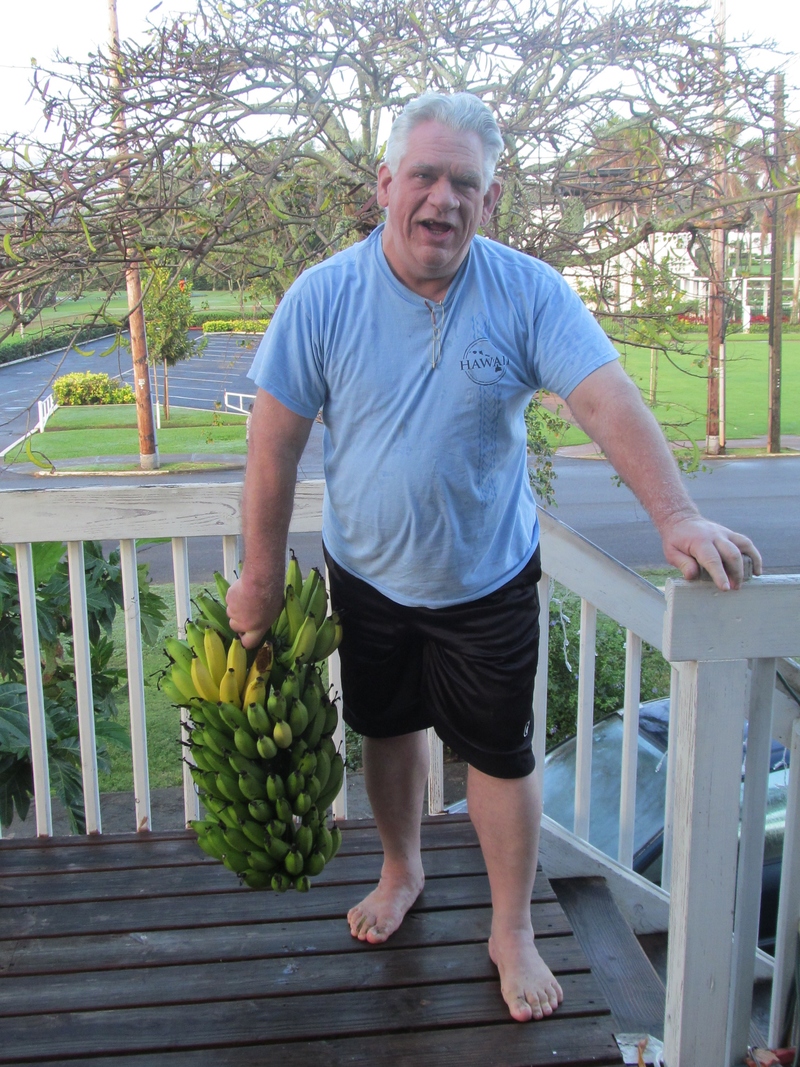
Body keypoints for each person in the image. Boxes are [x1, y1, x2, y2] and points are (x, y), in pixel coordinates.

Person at [225, 91, 762, 1024]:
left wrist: (675, 515)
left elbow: (604, 400)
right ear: (385, 183)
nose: (441, 198)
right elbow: (272, 447)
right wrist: (260, 579)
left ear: (491, 197)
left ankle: (509, 926)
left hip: (488, 579)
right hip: (368, 575)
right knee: (389, 732)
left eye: (463, 182)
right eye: (424, 176)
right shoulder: (322, 297)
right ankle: (402, 870)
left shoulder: (528, 292)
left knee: (501, 759)